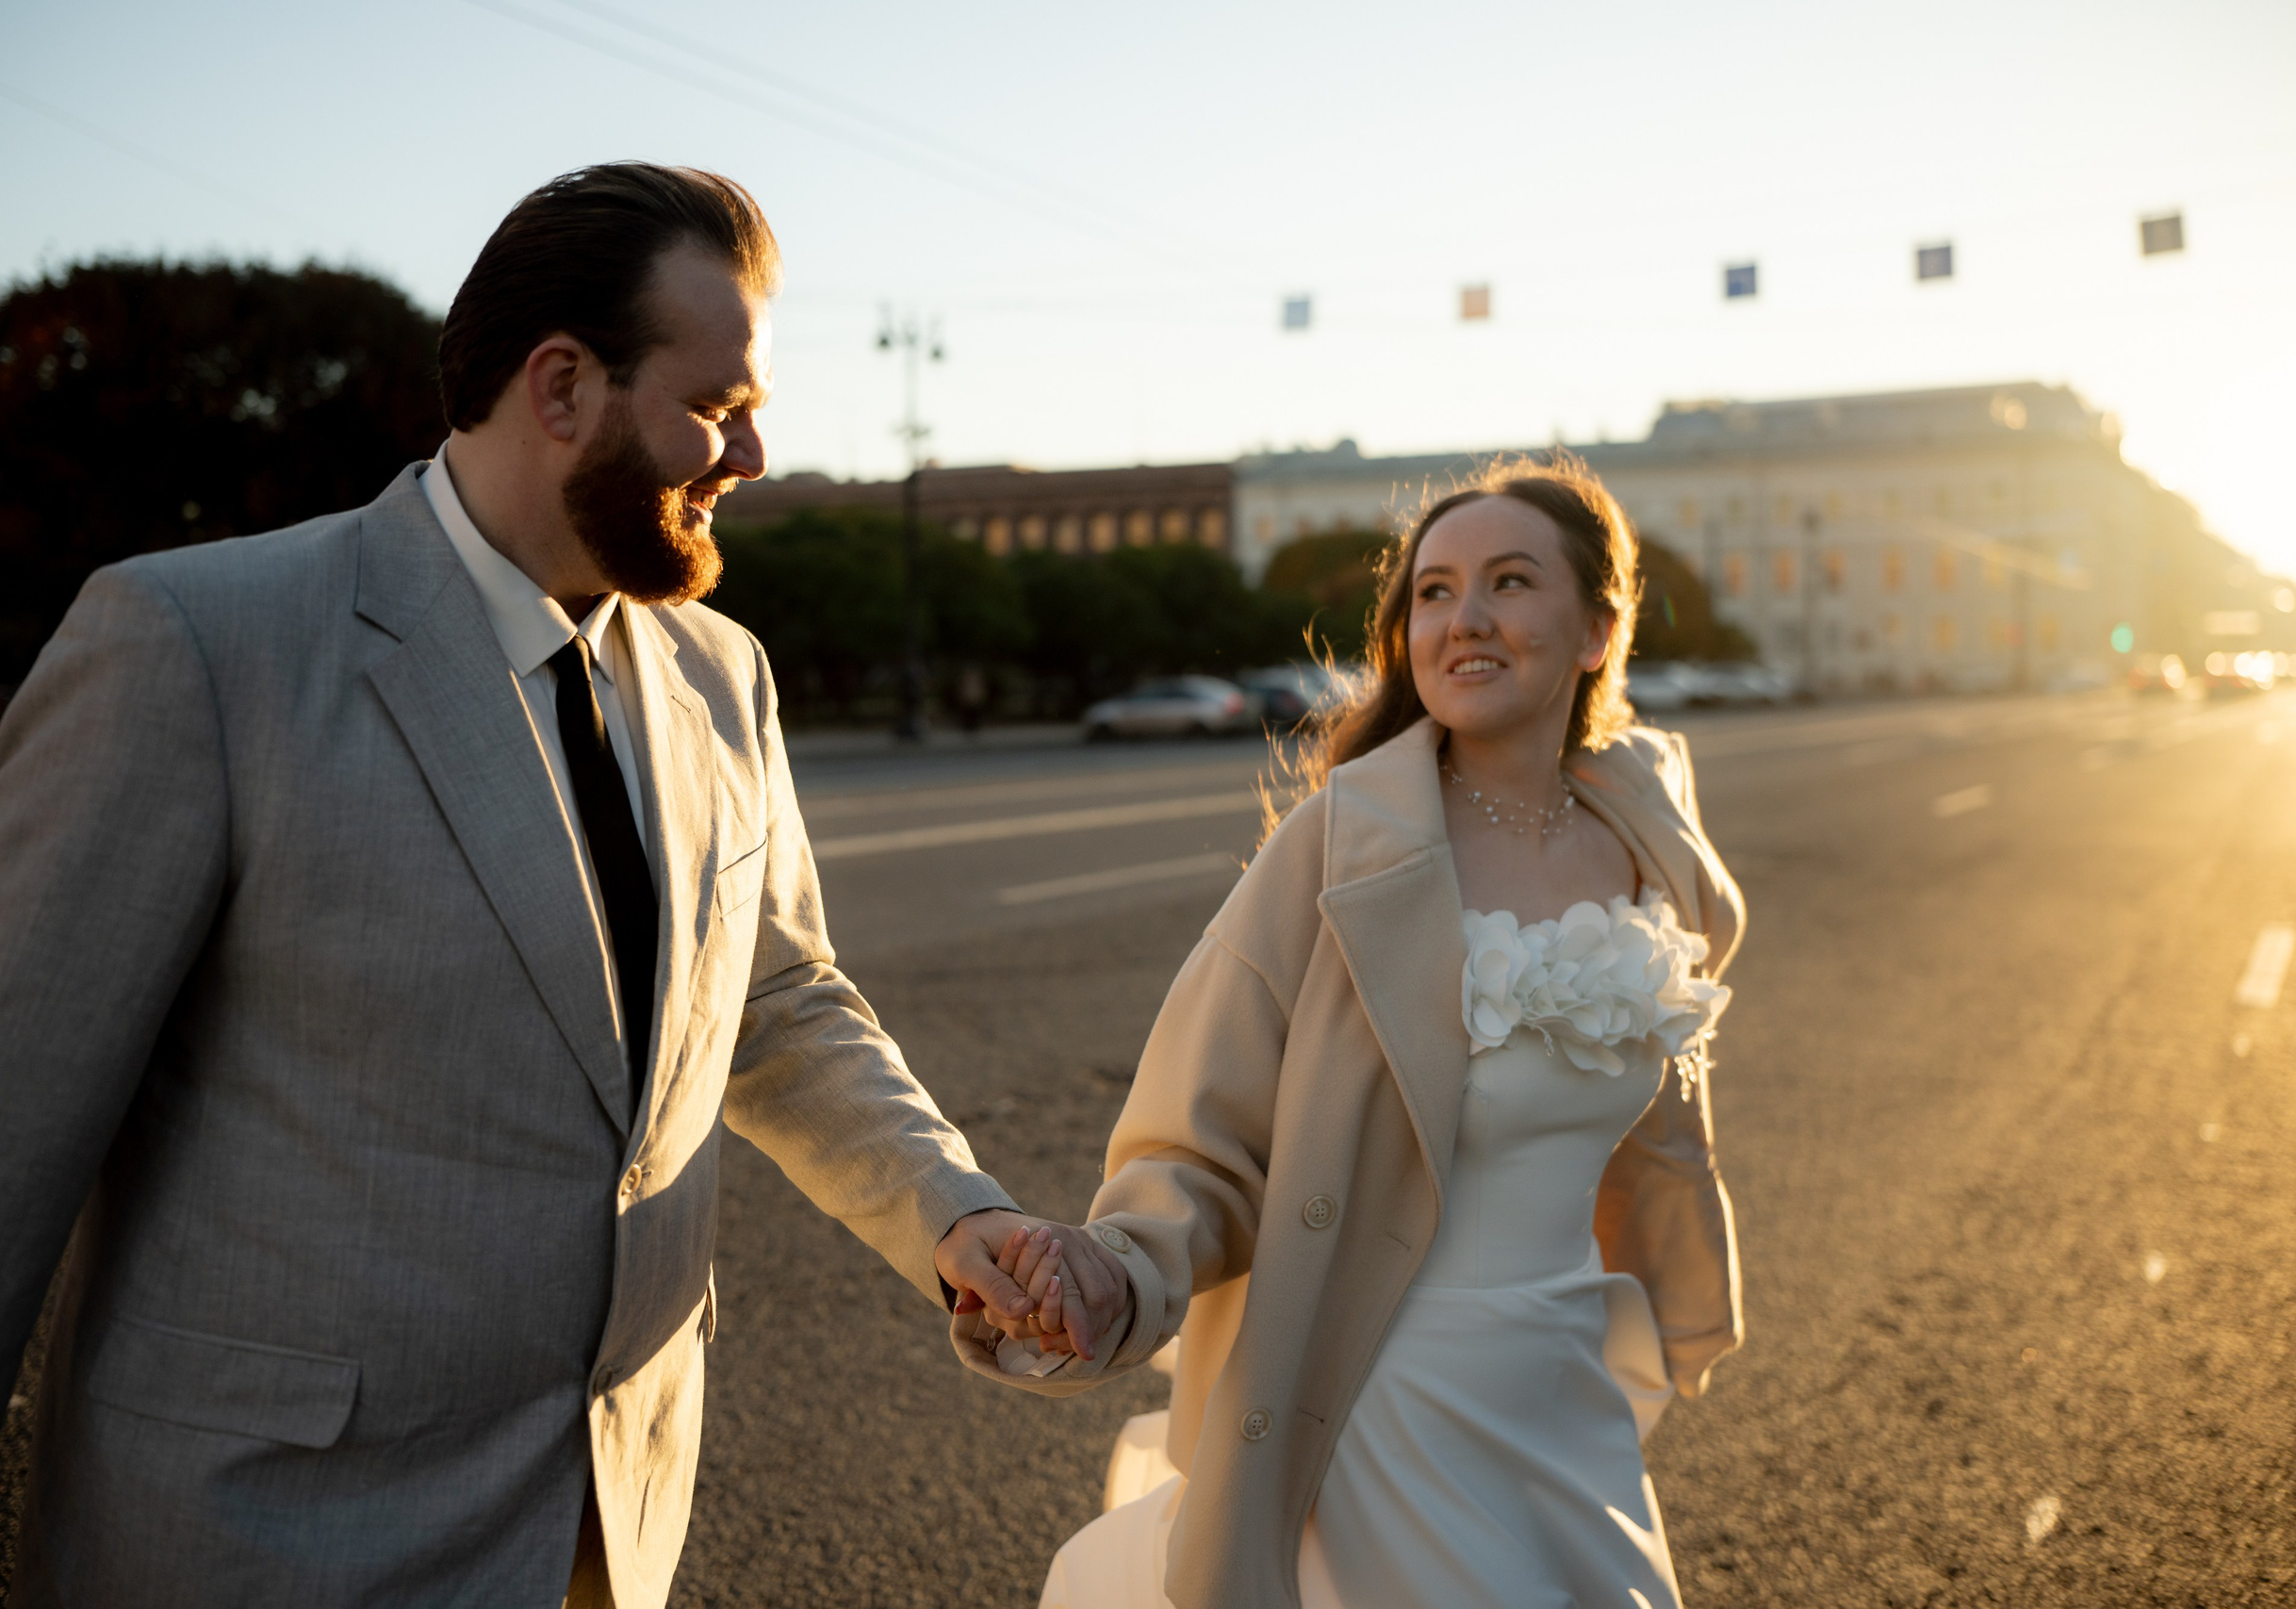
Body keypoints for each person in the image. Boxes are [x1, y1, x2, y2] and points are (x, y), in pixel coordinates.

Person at [0, 163, 1123, 1609]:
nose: (757, 451)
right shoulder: (197, 646)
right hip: (261, 1542)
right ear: (563, 385)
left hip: (610, 1526)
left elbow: (778, 1000)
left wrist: (953, 1212)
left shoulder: (725, 672)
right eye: (717, 405)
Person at [959, 453, 1747, 1607]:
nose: (1462, 619)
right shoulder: (1338, 850)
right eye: (1432, 592)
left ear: (1597, 630)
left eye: (1509, 582)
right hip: (1379, 1404)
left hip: (1564, 1389)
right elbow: (1201, 1140)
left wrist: (1681, 1291)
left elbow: (1662, 1124)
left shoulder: (1648, 839)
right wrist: (1116, 1268)